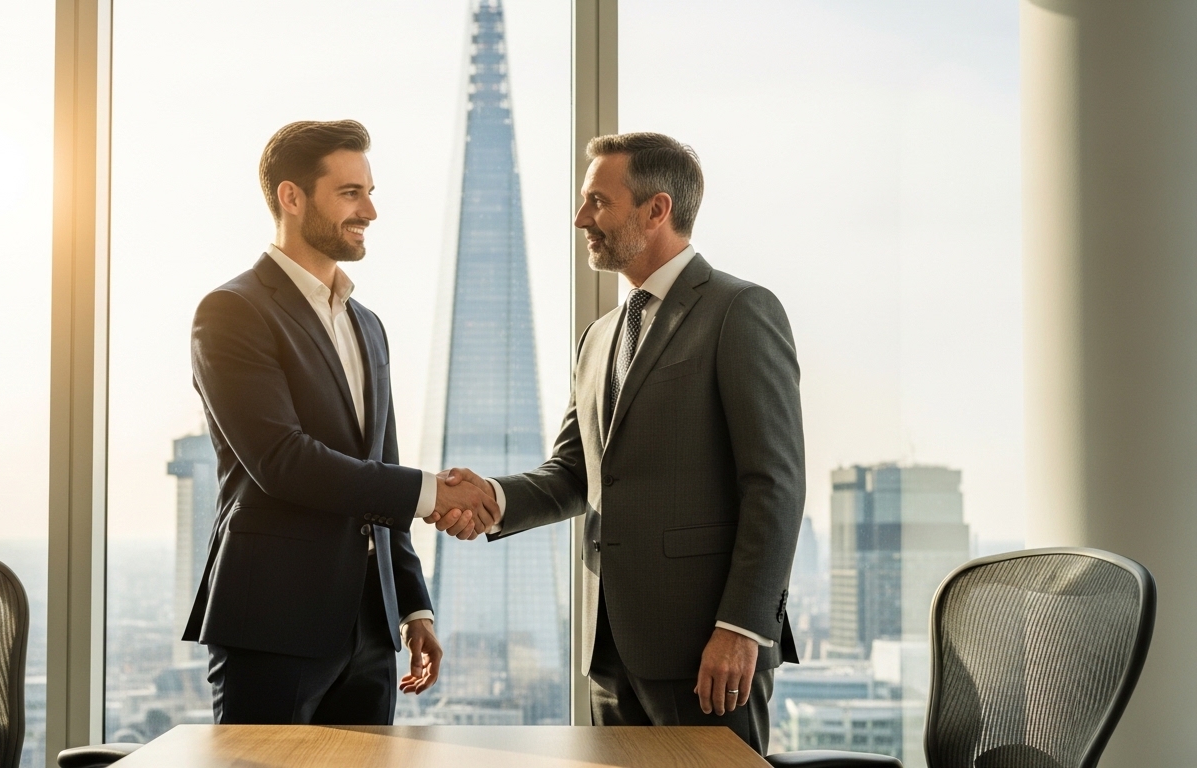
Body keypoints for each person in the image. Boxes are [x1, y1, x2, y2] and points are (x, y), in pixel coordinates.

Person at [432, 132, 805, 752]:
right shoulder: (599, 336)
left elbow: (775, 483)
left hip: (707, 651)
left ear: (657, 210)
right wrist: (492, 495)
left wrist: (740, 627)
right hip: (609, 650)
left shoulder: (740, 311)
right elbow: (575, 472)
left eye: (598, 203)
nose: (582, 219)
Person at [184, 119, 500, 724]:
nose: (371, 211)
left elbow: (376, 472)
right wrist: (434, 493)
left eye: (371, 192)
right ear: (292, 198)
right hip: (274, 623)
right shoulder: (232, 311)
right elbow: (282, 460)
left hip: (372, 631)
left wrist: (412, 606)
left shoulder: (368, 325)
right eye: (351, 192)